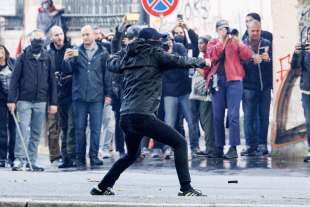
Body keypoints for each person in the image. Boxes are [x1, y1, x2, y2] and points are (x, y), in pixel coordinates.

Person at [90, 27, 209, 196]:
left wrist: (123, 48)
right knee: (180, 143)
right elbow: (180, 61)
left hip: (126, 116)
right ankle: (186, 188)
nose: (161, 41)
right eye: (158, 39)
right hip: (143, 115)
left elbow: (111, 62)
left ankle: (101, 187)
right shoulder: (155, 54)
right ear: (151, 41)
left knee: (131, 155)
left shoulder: (128, 55)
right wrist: (203, 62)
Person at [8, 29, 58, 171]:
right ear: (30, 40)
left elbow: (52, 81)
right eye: (35, 39)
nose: (38, 43)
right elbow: (14, 80)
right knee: (23, 130)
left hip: (41, 101)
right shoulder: (22, 57)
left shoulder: (47, 57)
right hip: (24, 100)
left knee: (36, 132)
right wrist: (11, 100)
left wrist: (53, 102)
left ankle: (32, 160)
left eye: (40, 40)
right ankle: (19, 159)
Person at [63, 25, 112, 168]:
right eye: (83, 35)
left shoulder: (103, 52)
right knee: (79, 128)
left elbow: (107, 75)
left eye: (87, 34)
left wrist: (108, 94)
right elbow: (68, 71)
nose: (85, 37)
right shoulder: (76, 51)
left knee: (96, 128)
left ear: (94, 35)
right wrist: (65, 60)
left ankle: (94, 156)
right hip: (79, 97)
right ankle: (80, 158)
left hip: (97, 96)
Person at [206, 20, 253, 159]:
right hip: (217, 81)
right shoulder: (212, 42)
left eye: (226, 28)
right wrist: (222, 41)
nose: (225, 31)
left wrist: (239, 42)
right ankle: (218, 147)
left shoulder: (234, 41)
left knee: (233, 116)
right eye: (221, 28)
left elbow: (247, 55)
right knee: (217, 116)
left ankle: (233, 148)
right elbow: (212, 56)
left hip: (234, 80)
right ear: (217, 30)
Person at [241, 20, 273, 156]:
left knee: (264, 117)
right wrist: (251, 60)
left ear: (261, 30)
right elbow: (238, 63)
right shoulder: (243, 45)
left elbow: (274, 62)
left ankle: (262, 144)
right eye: (252, 30)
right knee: (249, 117)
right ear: (247, 30)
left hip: (265, 86)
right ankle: (250, 145)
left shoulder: (267, 43)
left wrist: (268, 58)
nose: (255, 33)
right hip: (248, 86)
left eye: (257, 30)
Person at [48, 25, 76, 168]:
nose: (60, 37)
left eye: (61, 34)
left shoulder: (71, 49)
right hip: (54, 95)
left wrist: (66, 60)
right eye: (56, 35)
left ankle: (68, 157)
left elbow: (73, 69)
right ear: (51, 37)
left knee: (70, 127)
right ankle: (55, 156)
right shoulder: (48, 52)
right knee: (54, 128)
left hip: (70, 93)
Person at [189, 35, 217, 157]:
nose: (200, 45)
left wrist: (196, 65)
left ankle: (210, 148)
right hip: (196, 93)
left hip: (205, 93)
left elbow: (206, 72)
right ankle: (208, 147)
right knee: (201, 120)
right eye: (199, 43)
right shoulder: (200, 55)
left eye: (202, 43)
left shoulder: (209, 56)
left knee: (207, 121)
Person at [291, 27, 310, 162]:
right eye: (309, 34)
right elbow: (295, 67)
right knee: (309, 123)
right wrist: (296, 54)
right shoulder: (304, 50)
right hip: (306, 91)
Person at [0, 44, 16, 167]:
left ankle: (12, 156)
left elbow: (18, 80)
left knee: (13, 128)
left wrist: (15, 99)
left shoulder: (13, 62)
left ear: (5, 51)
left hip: (13, 100)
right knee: (2, 129)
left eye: (1, 50)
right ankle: (2, 157)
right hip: (1, 100)